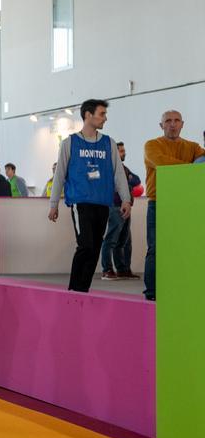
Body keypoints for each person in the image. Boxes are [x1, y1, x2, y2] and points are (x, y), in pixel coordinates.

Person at [47, 99, 132, 293]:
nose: (105, 118)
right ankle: (74, 290)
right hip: (80, 203)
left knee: (95, 249)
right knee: (85, 245)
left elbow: (118, 173)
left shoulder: (108, 143)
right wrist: (54, 204)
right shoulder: (70, 143)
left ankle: (82, 291)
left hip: (103, 203)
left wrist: (125, 199)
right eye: (102, 114)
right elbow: (59, 174)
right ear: (88, 115)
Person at [142, 110, 204, 301]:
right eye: (168, 121)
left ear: (182, 124)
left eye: (177, 120)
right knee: (156, 249)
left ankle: (179, 289)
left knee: (182, 248)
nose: (172, 124)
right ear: (161, 126)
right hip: (158, 203)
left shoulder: (193, 147)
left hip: (184, 204)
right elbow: (161, 162)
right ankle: (151, 293)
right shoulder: (152, 145)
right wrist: (190, 167)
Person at [100, 141, 142, 281]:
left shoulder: (124, 168)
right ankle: (107, 270)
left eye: (124, 150)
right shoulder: (108, 167)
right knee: (111, 239)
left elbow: (136, 180)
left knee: (124, 241)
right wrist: (125, 179)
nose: (124, 153)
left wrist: (126, 178)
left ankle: (123, 270)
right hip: (114, 206)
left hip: (127, 207)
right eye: (121, 151)